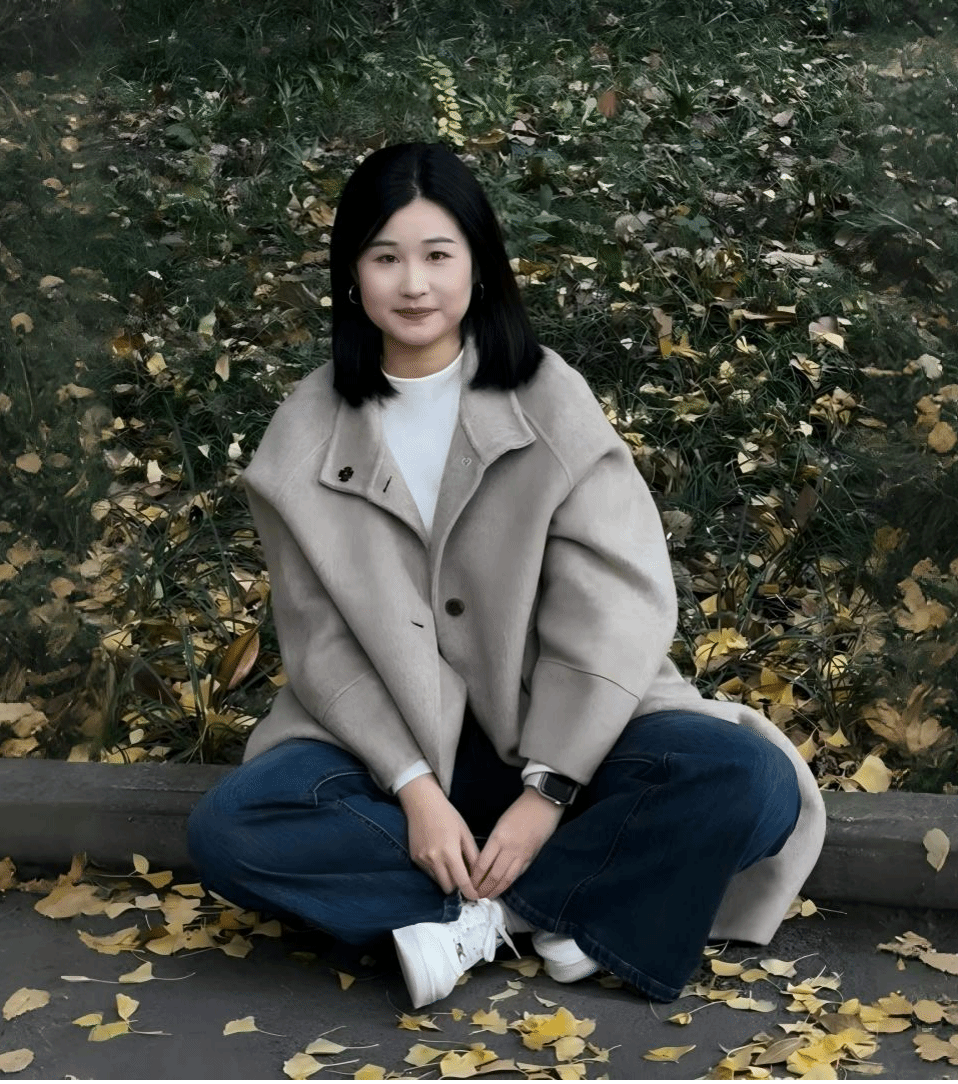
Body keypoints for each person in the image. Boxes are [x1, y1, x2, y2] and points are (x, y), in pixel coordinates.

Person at [186, 141, 826, 1010]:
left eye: (437, 255)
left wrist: (548, 793)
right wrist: (414, 789)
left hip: (565, 734)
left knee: (752, 780)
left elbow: (614, 604)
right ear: (351, 276)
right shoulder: (303, 434)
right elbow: (321, 643)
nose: (415, 284)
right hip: (393, 753)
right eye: (385, 258)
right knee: (233, 828)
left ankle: (480, 921)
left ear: (479, 266)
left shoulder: (548, 398)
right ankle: (572, 904)